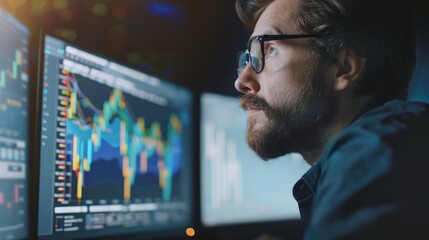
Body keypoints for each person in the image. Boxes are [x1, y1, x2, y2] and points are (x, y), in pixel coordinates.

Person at [234, 0, 429, 239]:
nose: (242, 81)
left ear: (343, 67)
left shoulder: (372, 151)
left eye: (269, 50)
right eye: (248, 58)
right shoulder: (391, 142)